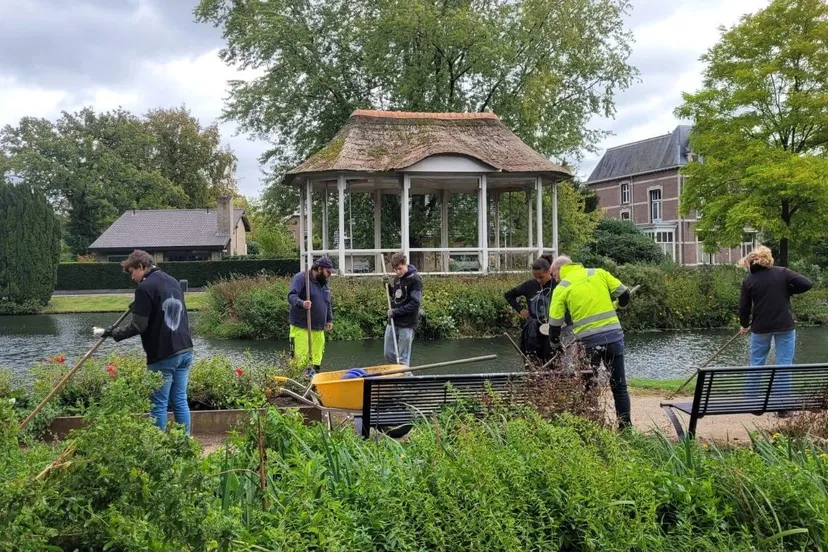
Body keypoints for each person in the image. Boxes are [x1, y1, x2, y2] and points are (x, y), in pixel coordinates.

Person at [92, 250, 194, 434]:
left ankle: (157, 446)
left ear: (141, 266)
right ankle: (186, 444)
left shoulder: (144, 287)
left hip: (164, 354)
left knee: (158, 403)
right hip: (185, 349)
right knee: (179, 400)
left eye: (132, 272)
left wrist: (112, 333)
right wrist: (139, 305)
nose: (132, 278)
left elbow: (138, 326)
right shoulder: (172, 281)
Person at [547, 255, 632, 429]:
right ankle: (626, 428)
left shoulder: (562, 287)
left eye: (553, 275)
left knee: (588, 385)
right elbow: (624, 294)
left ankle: (591, 425)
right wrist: (620, 305)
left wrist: (556, 344)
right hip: (614, 337)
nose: (554, 279)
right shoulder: (598, 273)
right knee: (620, 386)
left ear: (558, 270)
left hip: (589, 343)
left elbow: (554, 323)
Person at [738, 246, 812, 405]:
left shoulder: (749, 280)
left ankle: (752, 400)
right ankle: (782, 403)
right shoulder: (783, 273)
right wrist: (789, 290)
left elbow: (744, 308)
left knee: (757, 361)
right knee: (784, 363)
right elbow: (807, 284)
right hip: (785, 326)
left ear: (751, 263)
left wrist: (744, 325)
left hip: (761, 327)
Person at [504, 256, 557, 365]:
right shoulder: (530, 285)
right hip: (533, 328)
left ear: (548, 272)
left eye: (541, 277)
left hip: (551, 326)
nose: (538, 280)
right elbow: (509, 295)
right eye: (535, 277)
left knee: (551, 359)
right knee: (532, 359)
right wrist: (520, 310)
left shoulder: (557, 285)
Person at [287, 257, 334, 376]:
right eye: (328, 272)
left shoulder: (324, 284)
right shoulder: (301, 278)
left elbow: (327, 303)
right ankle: (298, 386)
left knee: (316, 360)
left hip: (318, 329)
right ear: (319, 269)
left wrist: (329, 319)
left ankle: (314, 384)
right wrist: (302, 303)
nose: (329, 275)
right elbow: (291, 296)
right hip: (302, 327)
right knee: (300, 361)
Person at [384, 252, 422, 365]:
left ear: (405, 264)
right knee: (388, 353)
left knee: (403, 358)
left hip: (407, 323)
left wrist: (396, 312)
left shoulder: (415, 279)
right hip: (393, 321)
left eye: (400, 269)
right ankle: (402, 374)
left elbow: (415, 303)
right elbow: (396, 297)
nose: (397, 272)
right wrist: (386, 285)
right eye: (395, 269)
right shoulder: (397, 279)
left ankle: (404, 377)